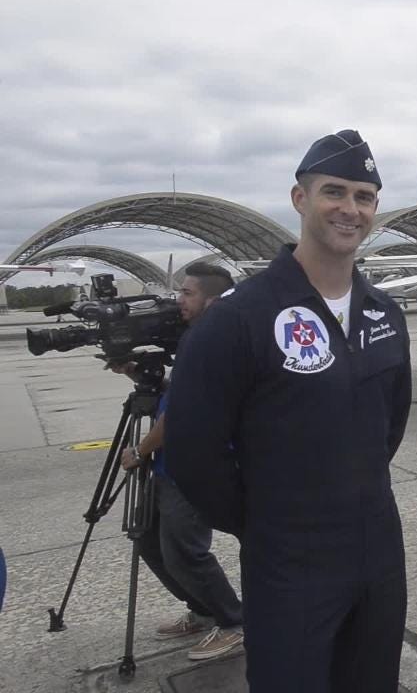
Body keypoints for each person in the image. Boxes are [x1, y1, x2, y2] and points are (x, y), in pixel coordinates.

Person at [164, 130, 412, 692]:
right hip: (288, 553)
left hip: (377, 544)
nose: (350, 209)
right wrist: (265, 519)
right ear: (300, 199)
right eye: (335, 192)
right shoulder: (240, 318)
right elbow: (191, 449)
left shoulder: (384, 313)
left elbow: (388, 425)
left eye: (364, 196)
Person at [112, 262, 244, 661]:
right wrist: (139, 375)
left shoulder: (213, 340)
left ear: (213, 300)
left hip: (191, 465)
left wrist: (139, 451)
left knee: (184, 553)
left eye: (187, 293)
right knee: (149, 542)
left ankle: (235, 622)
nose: (178, 300)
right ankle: (203, 611)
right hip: (167, 463)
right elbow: (178, 392)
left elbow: (183, 412)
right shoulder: (191, 339)